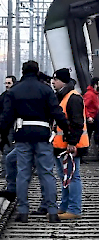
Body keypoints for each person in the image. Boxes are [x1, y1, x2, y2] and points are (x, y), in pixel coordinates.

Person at [0, 61, 67, 223]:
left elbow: (6, 117)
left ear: (23, 72)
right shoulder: (45, 89)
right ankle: (52, 212)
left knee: (23, 173)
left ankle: (23, 212)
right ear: (37, 72)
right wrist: (68, 131)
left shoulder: (14, 90)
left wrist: (2, 138)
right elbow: (56, 112)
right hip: (43, 135)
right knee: (46, 172)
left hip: (22, 135)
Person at [51, 68, 89, 220]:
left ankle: (74, 209)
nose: (53, 82)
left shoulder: (73, 98)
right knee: (64, 177)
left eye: (56, 79)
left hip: (71, 146)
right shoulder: (64, 96)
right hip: (61, 145)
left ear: (64, 81)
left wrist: (72, 142)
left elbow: (77, 123)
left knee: (72, 177)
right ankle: (64, 206)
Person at [0, 76, 16, 178]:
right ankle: (5, 171)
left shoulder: (15, 95)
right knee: (6, 150)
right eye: (5, 83)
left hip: (14, 126)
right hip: (7, 127)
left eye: (9, 83)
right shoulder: (3, 96)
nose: (6, 85)